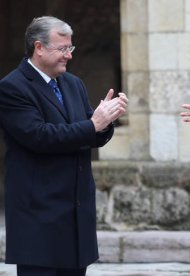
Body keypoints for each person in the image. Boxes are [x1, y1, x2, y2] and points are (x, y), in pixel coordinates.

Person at [0, 16, 128, 276]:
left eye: (71, 48)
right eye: (62, 49)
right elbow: (40, 137)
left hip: (75, 215)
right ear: (38, 47)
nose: (68, 56)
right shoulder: (12, 87)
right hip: (39, 219)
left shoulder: (73, 83)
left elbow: (88, 135)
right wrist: (94, 124)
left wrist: (106, 122)